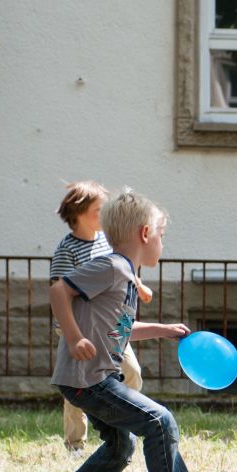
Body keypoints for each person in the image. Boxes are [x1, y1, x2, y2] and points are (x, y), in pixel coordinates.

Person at [49, 189, 209, 472]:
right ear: (145, 233)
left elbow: (120, 330)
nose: (162, 243)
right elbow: (59, 289)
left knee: (121, 444)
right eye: (162, 235)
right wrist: (75, 337)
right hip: (89, 379)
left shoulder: (125, 277)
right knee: (160, 422)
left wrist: (162, 329)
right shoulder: (111, 266)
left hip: (93, 378)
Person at [50, 180, 153, 455]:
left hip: (110, 325)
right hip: (80, 329)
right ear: (79, 213)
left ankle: (123, 425)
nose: (104, 215)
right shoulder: (67, 250)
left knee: (132, 372)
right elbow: (61, 290)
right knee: (77, 384)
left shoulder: (106, 243)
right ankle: (75, 444)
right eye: (99, 210)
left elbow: (119, 268)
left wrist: (139, 285)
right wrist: (73, 335)